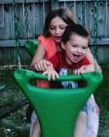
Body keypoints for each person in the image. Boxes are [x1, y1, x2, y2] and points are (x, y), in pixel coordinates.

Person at [29, 8, 101, 137]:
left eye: (62, 27)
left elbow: (96, 69)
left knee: (87, 112)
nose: (57, 32)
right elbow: (37, 67)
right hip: (53, 91)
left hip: (77, 93)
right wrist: (43, 66)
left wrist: (91, 68)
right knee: (41, 113)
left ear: (70, 27)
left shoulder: (80, 44)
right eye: (52, 28)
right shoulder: (49, 46)